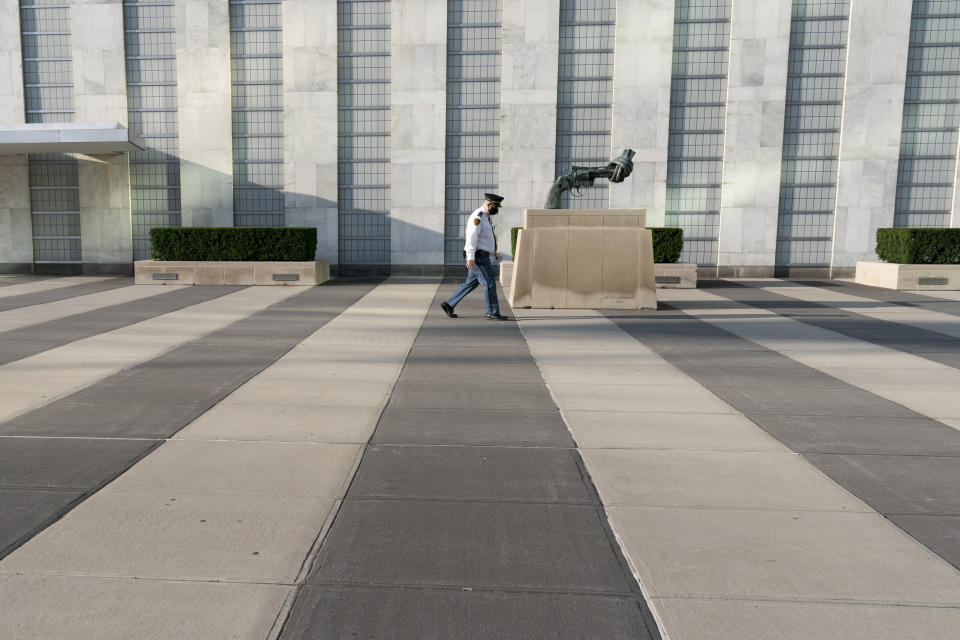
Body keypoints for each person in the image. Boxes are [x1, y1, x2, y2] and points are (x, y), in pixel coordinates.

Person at [441, 193, 511, 321]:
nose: (497, 209)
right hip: (478, 258)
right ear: (489, 204)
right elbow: (472, 237)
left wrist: (493, 252)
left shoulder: (486, 217)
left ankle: (449, 304)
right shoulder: (478, 216)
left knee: (471, 283)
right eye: (495, 207)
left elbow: (485, 239)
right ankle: (492, 312)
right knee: (489, 283)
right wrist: (470, 257)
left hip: (481, 256)